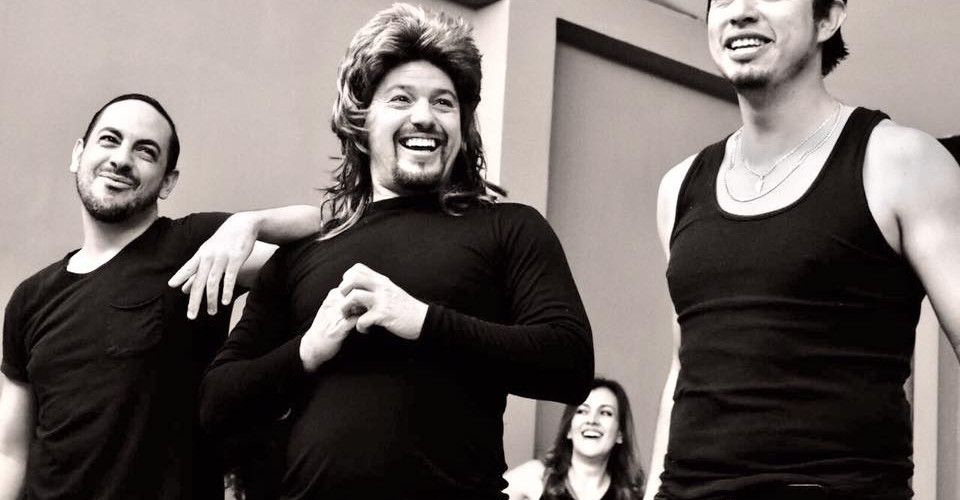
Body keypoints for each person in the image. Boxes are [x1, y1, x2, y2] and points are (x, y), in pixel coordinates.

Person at [198, 4, 594, 499]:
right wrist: (306, 351)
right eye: (401, 98)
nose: (424, 116)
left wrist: (422, 320)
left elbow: (569, 363)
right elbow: (217, 403)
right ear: (361, 124)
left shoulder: (509, 227)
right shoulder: (307, 249)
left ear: (462, 128)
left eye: (443, 102)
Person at [646, 1, 960, 499]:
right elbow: (685, 369)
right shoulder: (678, 186)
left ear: (828, 17)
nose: (740, 11)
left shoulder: (903, 161)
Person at [0, 93, 325, 500]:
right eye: (109, 140)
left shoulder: (193, 248)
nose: (121, 159)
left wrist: (251, 223)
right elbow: (11, 454)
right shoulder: (30, 298)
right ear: (78, 154)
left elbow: (337, 231)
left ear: (167, 181)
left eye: (145, 151)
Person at [504, 378, 644, 500]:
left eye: (605, 413)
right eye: (582, 411)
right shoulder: (536, 477)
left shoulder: (630, 495)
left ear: (620, 433)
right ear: (569, 429)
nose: (592, 420)